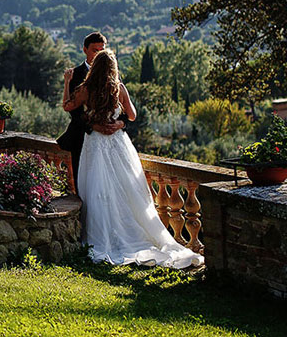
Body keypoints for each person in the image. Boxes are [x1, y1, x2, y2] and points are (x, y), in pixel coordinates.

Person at [63, 48, 204, 269]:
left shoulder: (86, 89)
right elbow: (132, 115)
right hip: (118, 143)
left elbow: (67, 106)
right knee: (127, 186)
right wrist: (119, 123)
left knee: (98, 188)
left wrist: (67, 83)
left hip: (97, 143)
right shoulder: (119, 89)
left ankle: (105, 236)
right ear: (113, 68)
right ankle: (137, 232)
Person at [56, 32, 122, 191]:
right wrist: (93, 127)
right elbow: (74, 112)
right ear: (85, 50)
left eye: (102, 50)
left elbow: (123, 107)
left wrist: (121, 123)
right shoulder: (75, 75)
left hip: (110, 140)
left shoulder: (113, 75)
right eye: (95, 50)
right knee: (83, 183)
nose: (99, 54)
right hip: (81, 137)